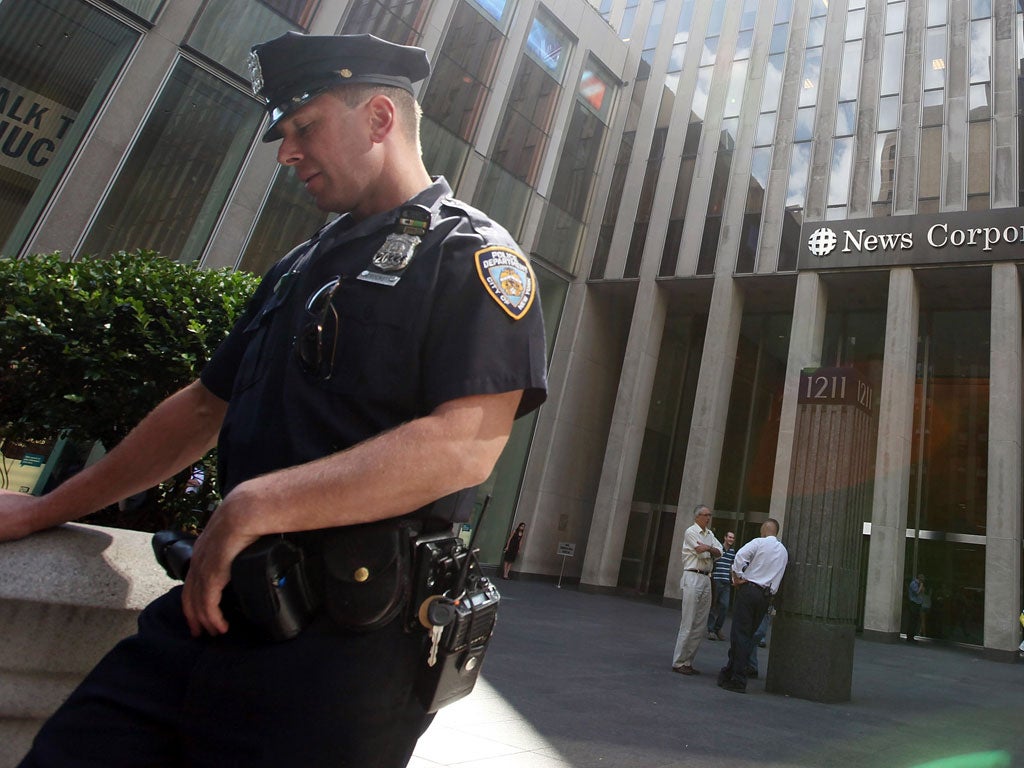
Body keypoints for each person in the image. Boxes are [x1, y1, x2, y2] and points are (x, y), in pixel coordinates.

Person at [0, 31, 547, 768]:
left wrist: (258, 504)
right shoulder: (299, 264)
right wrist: (42, 508)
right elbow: (200, 409)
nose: (287, 152)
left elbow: (466, 446)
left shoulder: (473, 257)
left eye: (304, 128)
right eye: (283, 134)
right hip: (214, 609)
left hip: (347, 653)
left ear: (381, 118)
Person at [718, 518, 788, 694]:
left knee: (739, 634)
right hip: (765, 597)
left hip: (749, 590)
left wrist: (737, 576)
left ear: (764, 530)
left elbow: (740, 557)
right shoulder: (783, 551)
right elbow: (778, 577)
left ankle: (737, 679)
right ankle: (730, 671)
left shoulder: (759, 542)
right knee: (748, 636)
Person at [671, 505, 722, 676]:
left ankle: (688, 661)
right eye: (706, 515)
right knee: (688, 621)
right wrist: (710, 550)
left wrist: (707, 548)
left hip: (706, 577)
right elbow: (701, 554)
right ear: (698, 516)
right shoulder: (690, 531)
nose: (708, 518)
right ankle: (678, 661)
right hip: (693, 576)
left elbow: (719, 551)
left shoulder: (710, 534)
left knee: (700, 623)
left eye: (710, 515)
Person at [706, 530, 736, 641]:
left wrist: (733, 578)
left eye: (733, 538)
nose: (731, 539)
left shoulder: (732, 552)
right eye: (729, 537)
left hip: (726, 582)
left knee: (724, 606)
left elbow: (732, 566)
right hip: (716, 580)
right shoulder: (718, 549)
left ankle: (717, 628)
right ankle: (711, 630)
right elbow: (712, 561)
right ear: (725, 538)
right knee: (713, 606)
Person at [907, 573, 926, 642]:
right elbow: (916, 592)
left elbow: (922, 593)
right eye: (922, 578)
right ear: (919, 578)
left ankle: (912, 636)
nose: (923, 579)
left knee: (915, 621)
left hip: (918, 604)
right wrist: (921, 586)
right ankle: (909, 637)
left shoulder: (919, 584)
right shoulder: (914, 583)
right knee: (912, 620)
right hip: (913, 604)